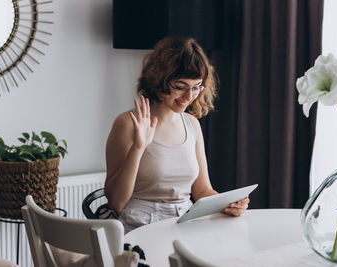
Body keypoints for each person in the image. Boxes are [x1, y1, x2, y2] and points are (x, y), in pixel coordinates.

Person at [104, 36, 249, 233]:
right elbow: (116, 202)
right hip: (140, 229)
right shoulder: (127, 124)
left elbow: (202, 190)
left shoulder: (192, 125)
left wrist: (228, 205)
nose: (189, 97)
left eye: (197, 87)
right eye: (181, 87)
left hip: (184, 226)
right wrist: (138, 148)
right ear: (160, 80)